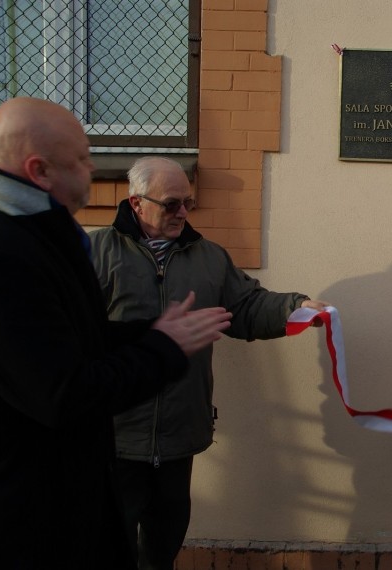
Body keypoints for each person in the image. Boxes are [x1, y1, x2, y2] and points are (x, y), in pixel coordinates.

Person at [0, 97, 232, 569]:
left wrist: (148, 333)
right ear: (39, 170)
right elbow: (66, 392)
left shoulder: (34, 237)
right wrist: (162, 347)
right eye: (83, 160)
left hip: (60, 496)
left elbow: (74, 343)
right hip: (20, 521)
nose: (92, 170)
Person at [89, 156, 329, 570]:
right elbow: (72, 334)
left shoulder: (209, 258)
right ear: (136, 204)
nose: (183, 212)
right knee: (110, 549)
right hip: (115, 438)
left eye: (188, 202)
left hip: (180, 437)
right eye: (171, 204)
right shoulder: (95, 252)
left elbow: (248, 305)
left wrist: (298, 307)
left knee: (162, 546)